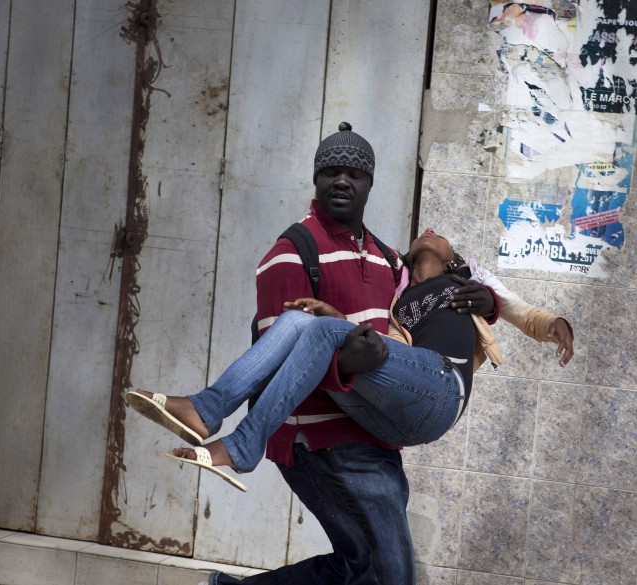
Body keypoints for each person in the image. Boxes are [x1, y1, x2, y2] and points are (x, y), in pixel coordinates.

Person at [154, 122, 497, 584]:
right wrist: (345, 364)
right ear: (315, 180)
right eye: (330, 171)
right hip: (319, 440)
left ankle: (211, 415)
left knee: (360, 571)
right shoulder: (293, 251)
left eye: (353, 174)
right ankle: (223, 424)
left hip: (373, 432)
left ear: (370, 184)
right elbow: (278, 355)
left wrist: (487, 302)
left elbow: (428, 307)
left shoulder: (387, 258)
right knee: (386, 578)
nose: (341, 181)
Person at [128, 228, 574, 485]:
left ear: (454, 256)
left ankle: (242, 441)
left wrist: (556, 325)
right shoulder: (396, 283)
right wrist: (336, 317)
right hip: (393, 416)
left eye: (439, 233)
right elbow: (378, 350)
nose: (430, 230)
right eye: (422, 231)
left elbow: (520, 310)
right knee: (305, 321)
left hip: (442, 387)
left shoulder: (469, 278)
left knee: (317, 327)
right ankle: (205, 409)